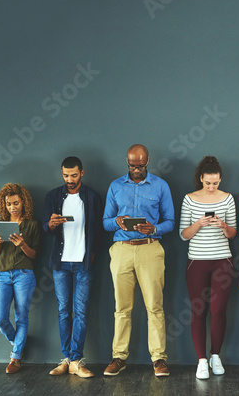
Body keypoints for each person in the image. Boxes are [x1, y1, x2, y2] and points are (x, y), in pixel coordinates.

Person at [102, 144, 175, 377]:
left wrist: (154, 227)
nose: (136, 170)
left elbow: (171, 221)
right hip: (122, 249)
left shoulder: (161, 186)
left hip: (150, 249)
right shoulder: (115, 186)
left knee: (155, 306)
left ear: (148, 162)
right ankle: (119, 357)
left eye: (141, 166)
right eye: (132, 166)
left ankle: (159, 359)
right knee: (122, 307)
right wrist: (117, 221)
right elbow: (105, 222)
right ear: (127, 162)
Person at [43, 156, 102, 378]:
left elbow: (98, 232)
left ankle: (76, 359)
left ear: (82, 173)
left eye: (74, 175)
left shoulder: (93, 197)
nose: (70, 180)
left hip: (83, 263)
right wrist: (51, 223)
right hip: (60, 264)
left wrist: (91, 257)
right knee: (62, 311)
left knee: (81, 312)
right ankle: (66, 359)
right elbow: (44, 227)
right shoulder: (53, 196)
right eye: (66, 175)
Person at [179, 156, 237, 379]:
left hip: (223, 260)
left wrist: (223, 225)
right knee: (198, 311)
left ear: (220, 180)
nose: (211, 187)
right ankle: (201, 360)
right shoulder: (190, 199)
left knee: (219, 310)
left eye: (215, 183)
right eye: (207, 183)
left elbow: (233, 233)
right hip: (196, 261)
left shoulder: (228, 199)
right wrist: (198, 223)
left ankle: (215, 355)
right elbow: (183, 235)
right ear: (201, 179)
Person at [0, 183, 42, 374]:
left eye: (16, 203)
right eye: (9, 204)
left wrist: (22, 244)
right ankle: (18, 342)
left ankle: (15, 358)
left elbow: (35, 255)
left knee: (21, 316)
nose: (12, 207)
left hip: (24, 275)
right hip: (2, 275)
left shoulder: (32, 225)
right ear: (4, 205)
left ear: (24, 202)